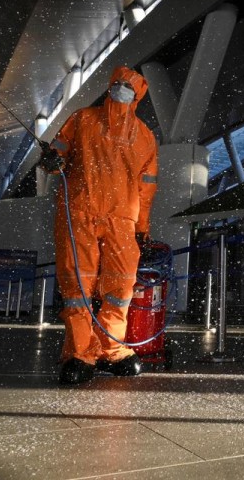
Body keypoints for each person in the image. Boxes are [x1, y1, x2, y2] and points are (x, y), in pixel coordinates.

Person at [39, 65, 158, 385]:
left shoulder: (145, 137)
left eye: (129, 87)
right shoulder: (82, 120)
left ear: (139, 95)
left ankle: (112, 349)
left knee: (120, 289)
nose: (122, 90)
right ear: (110, 87)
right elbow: (57, 158)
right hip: (81, 212)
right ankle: (80, 354)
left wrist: (141, 228)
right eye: (118, 84)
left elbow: (147, 189)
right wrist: (51, 160)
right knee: (78, 287)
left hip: (122, 220)